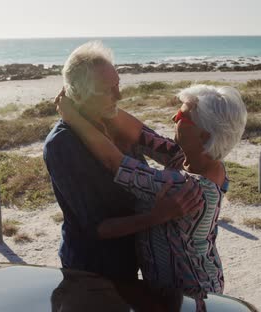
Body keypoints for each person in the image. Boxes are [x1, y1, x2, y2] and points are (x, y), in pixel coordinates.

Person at [56, 82, 247, 311]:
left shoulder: (188, 187)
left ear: (203, 134)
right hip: (177, 286)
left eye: (182, 117)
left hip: (189, 294)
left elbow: (115, 162)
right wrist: (90, 101)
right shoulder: (197, 161)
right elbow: (140, 133)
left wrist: (72, 117)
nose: (174, 119)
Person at [43, 41, 199, 287]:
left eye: (118, 85)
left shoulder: (116, 120)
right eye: (107, 90)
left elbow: (174, 154)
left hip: (132, 259)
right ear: (79, 94)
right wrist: (158, 215)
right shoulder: (62, 144)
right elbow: (96, 228)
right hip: (92, 271)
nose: (119, 96)